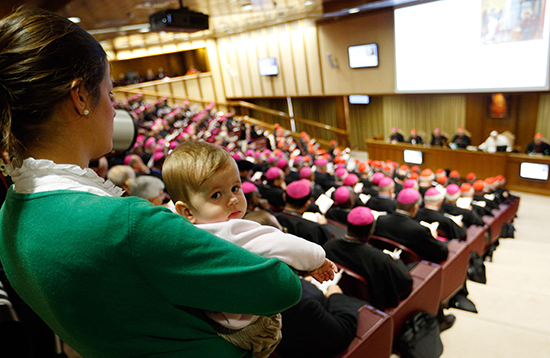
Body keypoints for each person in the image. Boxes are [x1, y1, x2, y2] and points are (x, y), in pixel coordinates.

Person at [0, 8, 302, 358]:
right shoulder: (127, 225)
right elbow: (281, 287)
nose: (114, 111)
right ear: (80, 96)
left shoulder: (9, 215)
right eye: (109, 94)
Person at [162, 140, 337, 357]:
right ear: (187, 211)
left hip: (211, 320)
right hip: (245, 325)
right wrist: (317, 260)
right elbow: (281, 243)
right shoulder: (229, 230)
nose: (233, 199)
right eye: (217, 195)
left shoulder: (177, 229)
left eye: (236, 187)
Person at [324, 207, 413, 310]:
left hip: (342, 296)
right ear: (371, 230)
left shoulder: (329, 246)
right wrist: (397, 261)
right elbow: (405, 285)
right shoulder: (381, 260)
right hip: (373, 305)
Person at [373, 189, 449, 264]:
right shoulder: (420, 230)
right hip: (410, 267)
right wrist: (433, 237)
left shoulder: (381, 220)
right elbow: (441, 254)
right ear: (415, 207)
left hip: (380, 262)